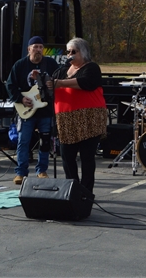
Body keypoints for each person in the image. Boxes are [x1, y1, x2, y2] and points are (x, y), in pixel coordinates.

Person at [52, 38, 106, 194]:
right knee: (67, 156)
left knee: (86, 157)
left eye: (73, 51)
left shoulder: (91, 68)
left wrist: (60, 83)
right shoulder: (62, 70)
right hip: (66, 119)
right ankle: (73, 189)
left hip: (88, 117)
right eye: (67, 51)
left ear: (83, 52)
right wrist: (42, 80)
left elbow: (86, 83)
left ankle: (86, 192)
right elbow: (52, 85)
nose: (69, 54)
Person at [6, 36, 58, 185]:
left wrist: (52, 85)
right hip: (26, 110)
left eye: (40, 47)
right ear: (29, 49)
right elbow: (10, 85)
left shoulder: (51, 64)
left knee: (45, 142)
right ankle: (21, 173)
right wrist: (20, 99)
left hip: (45, 110)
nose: (38, 50)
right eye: (35, 47)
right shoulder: (20, 65)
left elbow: (59, 82)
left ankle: (42, 170)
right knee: (23, 141)